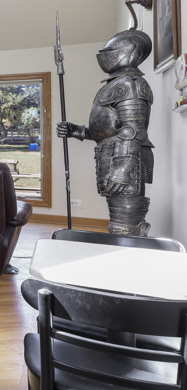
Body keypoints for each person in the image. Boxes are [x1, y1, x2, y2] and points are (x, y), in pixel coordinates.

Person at [57, 27, 154, 236]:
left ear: (128, 52)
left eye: (109, 51)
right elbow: (108, 130)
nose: (104, 56)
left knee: (125, 228)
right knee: (119, 225)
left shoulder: (130, 84)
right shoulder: (117, 84)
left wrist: (121, 169)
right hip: (113, 157)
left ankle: (127, 264)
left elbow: (132, 131)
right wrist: (78, 131)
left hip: (125, 161)